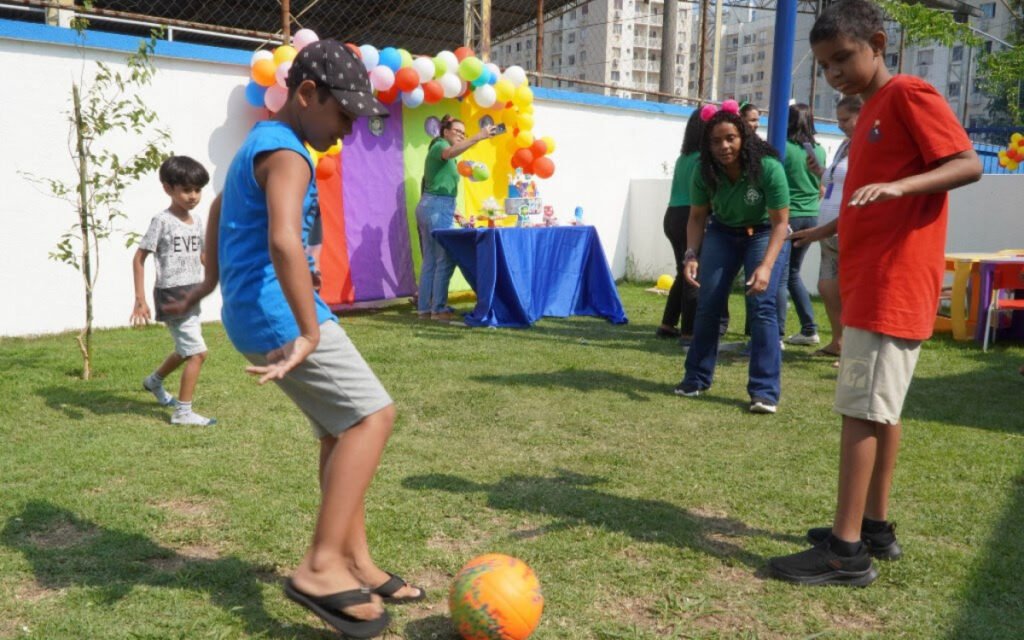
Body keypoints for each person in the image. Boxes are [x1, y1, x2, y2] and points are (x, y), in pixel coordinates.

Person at [173, 41, 423, 637]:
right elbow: (285, 241)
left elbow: (218, 209)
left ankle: (355, 560)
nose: (345, 130)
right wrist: (309, 331)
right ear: (307, 95)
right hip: (281, 314)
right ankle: (320, 566)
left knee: (342, 429)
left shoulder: (258, 144)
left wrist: (210, 280)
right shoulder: (288, 151)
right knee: (374, 418)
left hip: (260, 310)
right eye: (341, 115)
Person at [768, 0, 981, 586]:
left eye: (843, 58)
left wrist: (900, 185)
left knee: (860, 410)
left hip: (893, 281)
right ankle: (875, 527)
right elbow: (869, 194)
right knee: (881, 412)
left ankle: (845, 551)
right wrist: (829, 228)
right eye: (824, 65)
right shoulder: (869, 113)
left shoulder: (908, 94)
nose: (834, 72)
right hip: (871, 277)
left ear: (878, 43)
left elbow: (967, 163)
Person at [674, 106, 791, 414]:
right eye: (716, 141)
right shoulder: (704, 170)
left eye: (730, 139)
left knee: (762, 305)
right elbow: (697, 216)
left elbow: (781, 223)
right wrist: (690, 254)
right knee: (708, 302)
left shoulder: (767, 167)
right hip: (723, 232)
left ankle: (764, 392)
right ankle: (696, 378)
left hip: (764, 233)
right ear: (707, 145)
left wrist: (765, 266)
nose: (724, 146)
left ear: (744, 137)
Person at [130, 155, 217, 427]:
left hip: (192, 292)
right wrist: (140, 300)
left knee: (184, 349)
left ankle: (153, 382)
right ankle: (183, 412)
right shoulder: (162, 221)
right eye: (186, 190)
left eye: (198, 190)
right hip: (172, 295)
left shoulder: (198, 221)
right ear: (168, 188)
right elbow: (139, 258)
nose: (193, 196)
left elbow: (202, 256)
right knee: (197, 353)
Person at [791, 95, 864, 364]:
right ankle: (838, 341)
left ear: (862, 115)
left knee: (849, 289)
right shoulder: (846, 145)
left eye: (845, 119)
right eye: (838, 119)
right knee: (827, 285)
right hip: (828, 226)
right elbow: (835, 181)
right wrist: (819, 171)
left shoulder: (867, 146)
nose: (840, 125)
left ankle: (854, 349)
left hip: (849, 226)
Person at [416, 114, 496, 322]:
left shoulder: (447, 155)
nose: (461, 135)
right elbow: (450, 152)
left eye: (464, 132)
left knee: (431, 261)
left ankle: (425, 309)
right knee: (445, 258)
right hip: (436, 207)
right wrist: (478, 136)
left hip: (434, 205)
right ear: (445, 132)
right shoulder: (440, 146)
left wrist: (455, 211)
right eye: (457, 131)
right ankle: (438, 309)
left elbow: (439, 183)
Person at [778, 104, 827, 346]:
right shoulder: (819, 151)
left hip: (788, 218)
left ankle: (776, 333)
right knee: (792, 274)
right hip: (811, 216)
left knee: (781, 275)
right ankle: (809, 328)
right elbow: (820, 185)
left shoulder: (783, 148)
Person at [657, 114, 704, 345]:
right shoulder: (702, 160)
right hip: (689, 216)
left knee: (683, 271)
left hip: (672, 215)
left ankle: (667, 324)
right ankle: (689, 333)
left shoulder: (683, 158)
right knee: (693, 274)